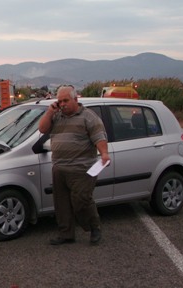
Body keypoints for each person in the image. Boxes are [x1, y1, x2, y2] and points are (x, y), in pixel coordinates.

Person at [38, 85, 110, 245]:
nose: (62, 104)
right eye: (60, 101)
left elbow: (99, 137)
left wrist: (104, 153)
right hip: (59, 168)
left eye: (66, 100)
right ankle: (66, 234)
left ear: (76, 99)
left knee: (81, 200)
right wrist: (50, 111)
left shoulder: (88, 117)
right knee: (61, 203)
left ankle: (94, 227)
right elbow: (42, 129)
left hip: (82, 168)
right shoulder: (56, 116)